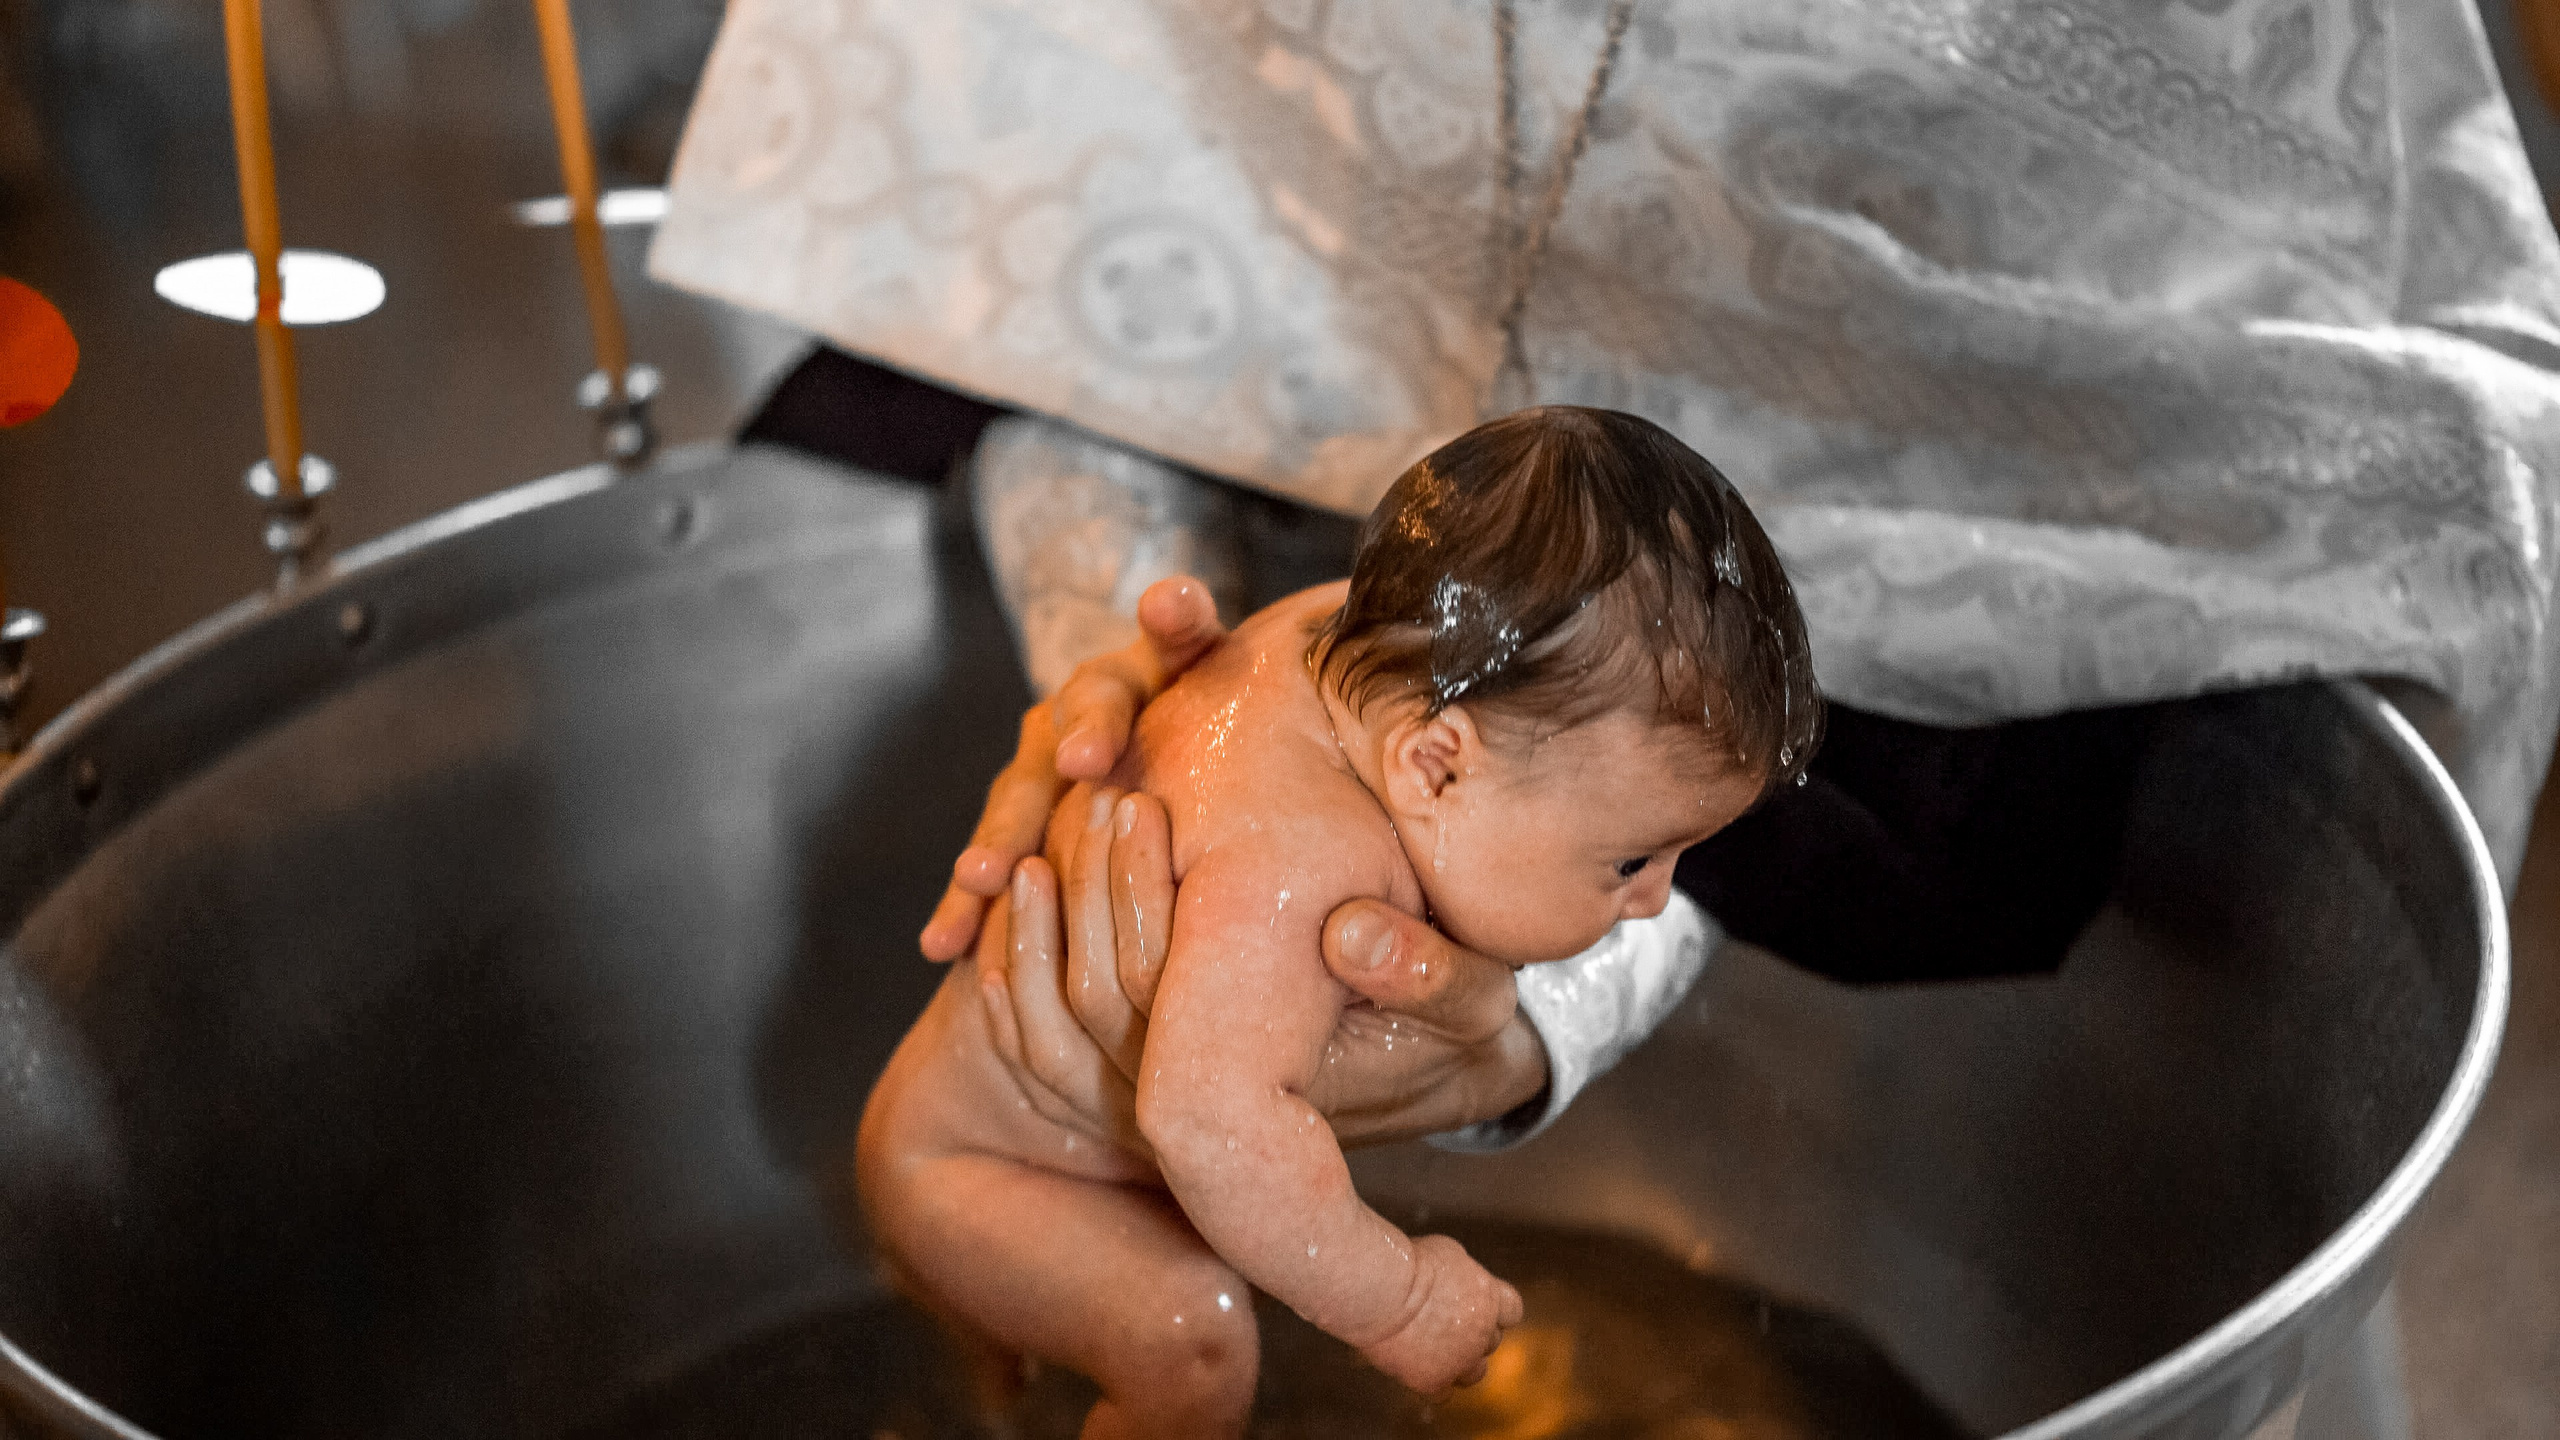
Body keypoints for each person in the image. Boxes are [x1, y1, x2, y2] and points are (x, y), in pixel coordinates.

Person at [854, 407, 1821, 1438]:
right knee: (1194, 1337)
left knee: (1207, 1266)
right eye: (1630, 859)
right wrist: (1395, 1295)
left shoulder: (1346, 637)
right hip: (978, 1170)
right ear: (1436, 764)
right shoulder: (1296, 864)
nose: (1657, 898)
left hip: (1044, 1148)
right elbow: (1207, 1122)